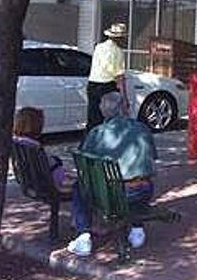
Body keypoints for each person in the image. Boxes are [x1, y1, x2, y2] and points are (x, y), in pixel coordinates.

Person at [67, 92, 158, 257]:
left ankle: (83, 237)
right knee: (142, 179)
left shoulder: (96, 133)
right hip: (141, 191)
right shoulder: (142, 128)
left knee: (79, 187)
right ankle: (137, 230)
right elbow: (152, 158)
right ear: (124, 108)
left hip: (107, 195)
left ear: (103, 111)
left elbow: (84, 164)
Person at [12, 107, 74, 192]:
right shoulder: (34, 146)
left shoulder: (17, 142)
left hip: (32, 181)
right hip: (48, 182)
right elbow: (50, 164)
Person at [86, 22, 129, 132]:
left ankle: (88, 142)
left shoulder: (99, 47)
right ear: (119, 38)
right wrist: (124, 98)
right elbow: (119, 76)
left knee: (93, 118)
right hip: (107, 86)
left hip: (93, 84)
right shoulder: (118, 52)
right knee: (110, 119)